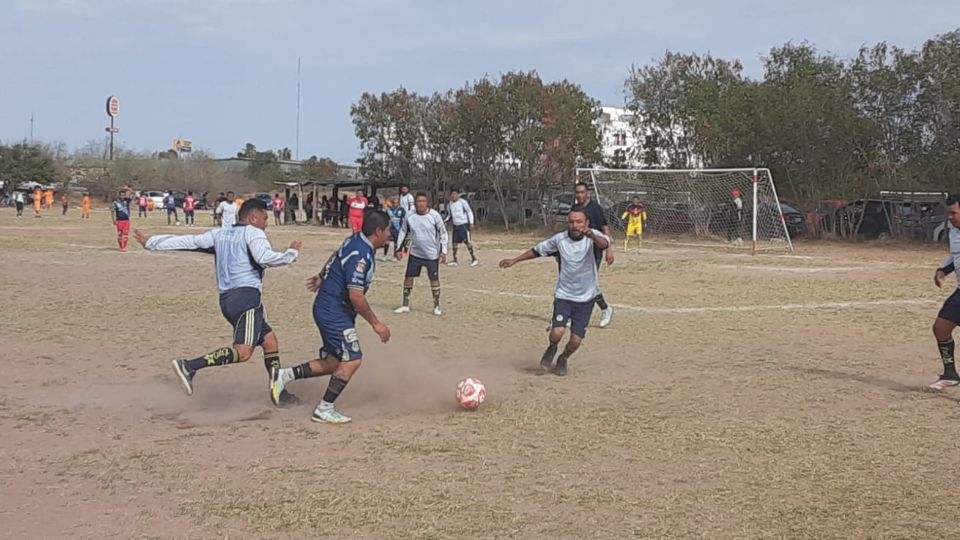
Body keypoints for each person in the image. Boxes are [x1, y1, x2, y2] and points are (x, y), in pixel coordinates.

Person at [134, 199, 303, 404]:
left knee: (269, 341)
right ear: (252, 218)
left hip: (227, 300)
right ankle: (190, 366)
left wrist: (152, 242)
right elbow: (264, 257)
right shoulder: (253, 232)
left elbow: (189, 241)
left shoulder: (219, 234)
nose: (266, 224)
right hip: (247, 300)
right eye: (264, 219)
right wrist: (291, 253)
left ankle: (279, 391)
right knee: (243, 352)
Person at [270, 210, 392, 424]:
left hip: (331, 309)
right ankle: (324, 409)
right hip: (333, 312)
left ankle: (284, 376)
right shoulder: (361, 256)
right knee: (353, 359)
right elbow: (356, 296)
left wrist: (321, 275)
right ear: (378, 231)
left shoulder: (354, 240)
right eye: (389, 230)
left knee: (334, 362)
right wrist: (377, 324)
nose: (391, 234)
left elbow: (336, 254)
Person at [499, 209, 610, 376]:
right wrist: (514, 260)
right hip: (564, 295)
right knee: (557, 333)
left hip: (586, 298)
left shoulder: (594, 237)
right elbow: (537, 250)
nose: (575, 225)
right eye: (571, 222)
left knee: (575, 340)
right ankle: (552, 348)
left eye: (579, 222)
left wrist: (592, 236)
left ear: (586, 223)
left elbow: (605, 244)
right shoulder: (560, 240)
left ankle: (563, 358)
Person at [395, 193, 448, 316]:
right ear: (415, 203)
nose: (421, 203)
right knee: (408, 277)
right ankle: (405, 305)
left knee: (434, 279)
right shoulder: (410, 215)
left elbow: (443, 233)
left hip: (431, 254)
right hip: (415, 253)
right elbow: (403, 231)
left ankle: (436, 305)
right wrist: (399, 248)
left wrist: (443, 251)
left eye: (423, 201)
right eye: (418, 201)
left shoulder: (434, 216)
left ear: (427, 202)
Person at [570, 182, 614, 328]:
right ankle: (602, 309)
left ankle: (605, 309)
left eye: (582, 192)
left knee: (587, 282)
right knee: (578, 282)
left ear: (588, 193)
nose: (579, 195)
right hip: (579, 251)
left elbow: (605, 228)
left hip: (594, 250)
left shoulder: (595, 208)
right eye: (577, 192)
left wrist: (609, 249)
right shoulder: (575, 209)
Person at [930, 196, 960, 390]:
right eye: (948, 213)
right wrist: (943, 270)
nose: (949, 217)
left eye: (953, 213)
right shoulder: (954, 233)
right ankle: (950, 374)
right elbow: (955, 256)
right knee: (940, 328)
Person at [445, 189, 479, 267]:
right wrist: (445, 221)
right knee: (454, 243)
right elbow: (450, 215)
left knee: (467, 242)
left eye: (455, 194)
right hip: (456, 225)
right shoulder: (450, 204)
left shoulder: (463, 202)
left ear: (458, 195)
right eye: (452, 194)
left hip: (463, 225)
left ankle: (474, 258)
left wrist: (471, 222)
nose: (453, 196)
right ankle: (455, 259)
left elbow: (469, 212)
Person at [383, 195, 406, 261]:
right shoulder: (389, 210)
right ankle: (385, 255)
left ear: (399, 203)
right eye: (394, 203)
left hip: (398, 229)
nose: (395, 204)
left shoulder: (401, 210)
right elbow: (386, 218)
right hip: (390, 228)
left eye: (397, 203)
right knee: (387, 242)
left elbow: (404, 219)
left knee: (397, 243)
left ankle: (395, 256)